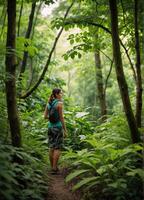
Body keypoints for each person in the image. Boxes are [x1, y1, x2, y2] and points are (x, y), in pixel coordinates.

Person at [44, 88, 67, 174]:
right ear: (56, 94)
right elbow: (61, 118)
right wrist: (65, 130)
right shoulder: (59, 104)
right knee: (57, 148)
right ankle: (54, 168)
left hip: (50, 127)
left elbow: (45, 116)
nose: (62, 95)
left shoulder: (49, 103)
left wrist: (51, 118)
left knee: (51, 147)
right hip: (58, 127)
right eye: (61, 93)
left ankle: (53, 167)